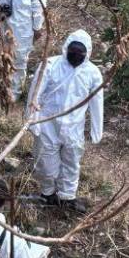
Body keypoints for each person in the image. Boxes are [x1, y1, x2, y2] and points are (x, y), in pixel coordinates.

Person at [25, 30, 104, 213]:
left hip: (74, 126)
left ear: (87, 53)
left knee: (71, 162)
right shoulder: (50, 65)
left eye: (80, 53)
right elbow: (34, 94)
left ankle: (67, 197)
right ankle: (47, 193)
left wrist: (96, 130)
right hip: (47, 123)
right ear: (66, 49)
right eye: (73, 52)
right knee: (45, 162)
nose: (76, 56)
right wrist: (32, 120)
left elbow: (97, 102)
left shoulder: (92, 73)